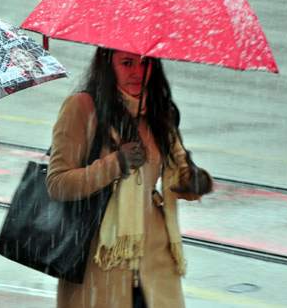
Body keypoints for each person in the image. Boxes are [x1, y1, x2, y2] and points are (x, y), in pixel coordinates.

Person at [46, 48, 213, 308]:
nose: (138, 72)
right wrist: (115, 163)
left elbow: (176, 174)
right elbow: (58, 184)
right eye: (126, 63)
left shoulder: (160, 113)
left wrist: (193, 183)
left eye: (145, 63)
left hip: (155, 268)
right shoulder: (82, 107)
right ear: (107, 65)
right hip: (100, 268)